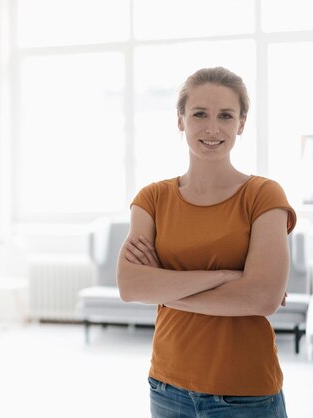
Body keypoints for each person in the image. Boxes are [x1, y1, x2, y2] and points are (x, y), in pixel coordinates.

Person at [116, 67, 296, 417]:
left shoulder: (263, 195)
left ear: (241, 123)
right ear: (180, 120)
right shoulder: (152, 199)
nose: (212, 128)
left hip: (245, 393)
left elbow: (263, 298)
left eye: (225, 116)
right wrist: (228, 276)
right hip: (167, 387)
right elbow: (130, 286)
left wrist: (163, 287)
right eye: (199, 114)